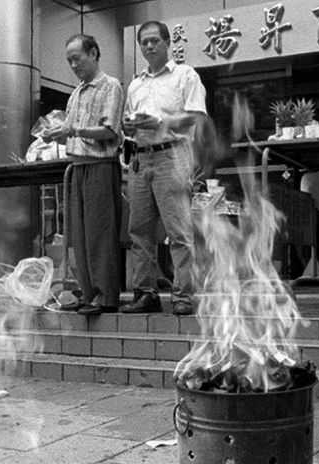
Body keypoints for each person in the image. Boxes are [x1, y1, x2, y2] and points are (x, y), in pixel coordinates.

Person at [121, 21, 208, 316]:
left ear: (168, 42)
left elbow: (195, 119)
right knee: (139, 231)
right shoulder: (135, 84)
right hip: (140, 158)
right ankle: (145, 293)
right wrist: (129, 128)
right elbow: (129, 125)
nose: (149, 46)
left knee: (178, 231)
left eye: (154, 40)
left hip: (173, 155)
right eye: (144, 42)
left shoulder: (185, 75)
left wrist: (161, 123)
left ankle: (183, 294)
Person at [43, 34, 125, 315]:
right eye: (69, 61)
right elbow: (71, 134)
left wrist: (72, 131)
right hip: (77, 167)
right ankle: (88, 293)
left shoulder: (110, 86)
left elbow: (110, 131)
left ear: (93, 53)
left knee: (100, 232)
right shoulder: (76, 92)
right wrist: (55, 135)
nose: (73, 65)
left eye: (76, 58)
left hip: (101, 166)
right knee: (78, 234)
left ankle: (105, 296)